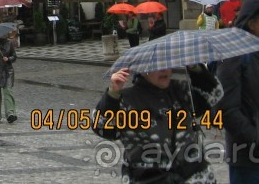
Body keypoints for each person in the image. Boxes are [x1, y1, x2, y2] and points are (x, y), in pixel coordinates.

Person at [94, 64, 223, 183]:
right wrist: (113, 93)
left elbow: (214, 95)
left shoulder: (181, 90)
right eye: (157, 66)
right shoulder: (128, 99)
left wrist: (195, 68)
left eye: (168, 64)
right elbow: (102, 128)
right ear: (143, 70)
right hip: (149, 178)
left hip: (195, 176)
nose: (164, 70)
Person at [217, 0, 259, 183]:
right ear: (251, 23)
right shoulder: (236, 55)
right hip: (251, 160)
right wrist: (258, 141)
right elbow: (226, 108)